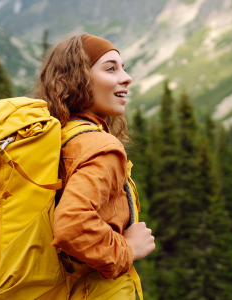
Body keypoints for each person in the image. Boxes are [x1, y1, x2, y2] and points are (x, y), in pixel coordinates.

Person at [32, 34, 156, 299]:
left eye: (123, 67)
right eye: (111, 68)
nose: (126, 77)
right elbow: (71, 226)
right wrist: (128, 249)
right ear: (78, 79)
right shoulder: (99, 147)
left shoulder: (49, 141)